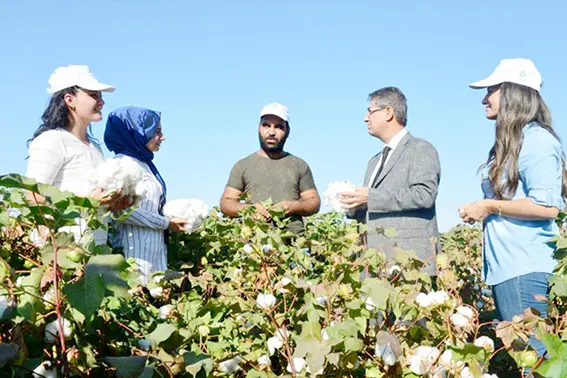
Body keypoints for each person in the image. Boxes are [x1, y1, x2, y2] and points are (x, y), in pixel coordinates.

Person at [459, 58, 566, 357]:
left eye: (492, 89)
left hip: (525, 269)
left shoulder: (537, 142)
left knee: (533, 362)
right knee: (527, 362)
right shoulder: (516, 142)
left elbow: (547, 207)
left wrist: (490, 206)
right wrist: (480, 207)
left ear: (512, 92)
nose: (485, 98)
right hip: (509, 270)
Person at [339, 87, 440, 275]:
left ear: (388, 113)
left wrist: (370, 196)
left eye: (370, 111)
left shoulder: (421, 149)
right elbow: (375, 205)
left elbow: (425, 195)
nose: (365, 118)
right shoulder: (373, 161)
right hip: (375, 264)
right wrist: (352, 204)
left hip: (410, 264)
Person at [26, 65, 129, 246]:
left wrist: (110, 203)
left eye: (100, 96)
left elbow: (94, 198)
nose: (101, 102)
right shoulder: (52, 140)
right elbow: (32, 196)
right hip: (63, 250)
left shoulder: (94, 147)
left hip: (93, 250)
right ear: (69, 100)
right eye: (93, 95)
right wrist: (88, 201)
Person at [104, 106, 187, 282]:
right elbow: (122, 213)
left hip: (153, 259)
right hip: (134, 259)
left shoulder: (145, 165)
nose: (162, 137)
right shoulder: (121, 166)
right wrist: (166, 223)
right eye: (156, 131)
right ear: (137, 132)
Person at [219, 102, 320, 235]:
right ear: (258, 128)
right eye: (266, 125)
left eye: (278, 127)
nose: (271, 132)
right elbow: (226, 203)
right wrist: (250, 210)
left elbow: (314, 202)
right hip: (254, 246)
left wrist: (292, 206)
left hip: (294, 246)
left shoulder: (299, 165)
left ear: (287, 131)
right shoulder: (242, 165)